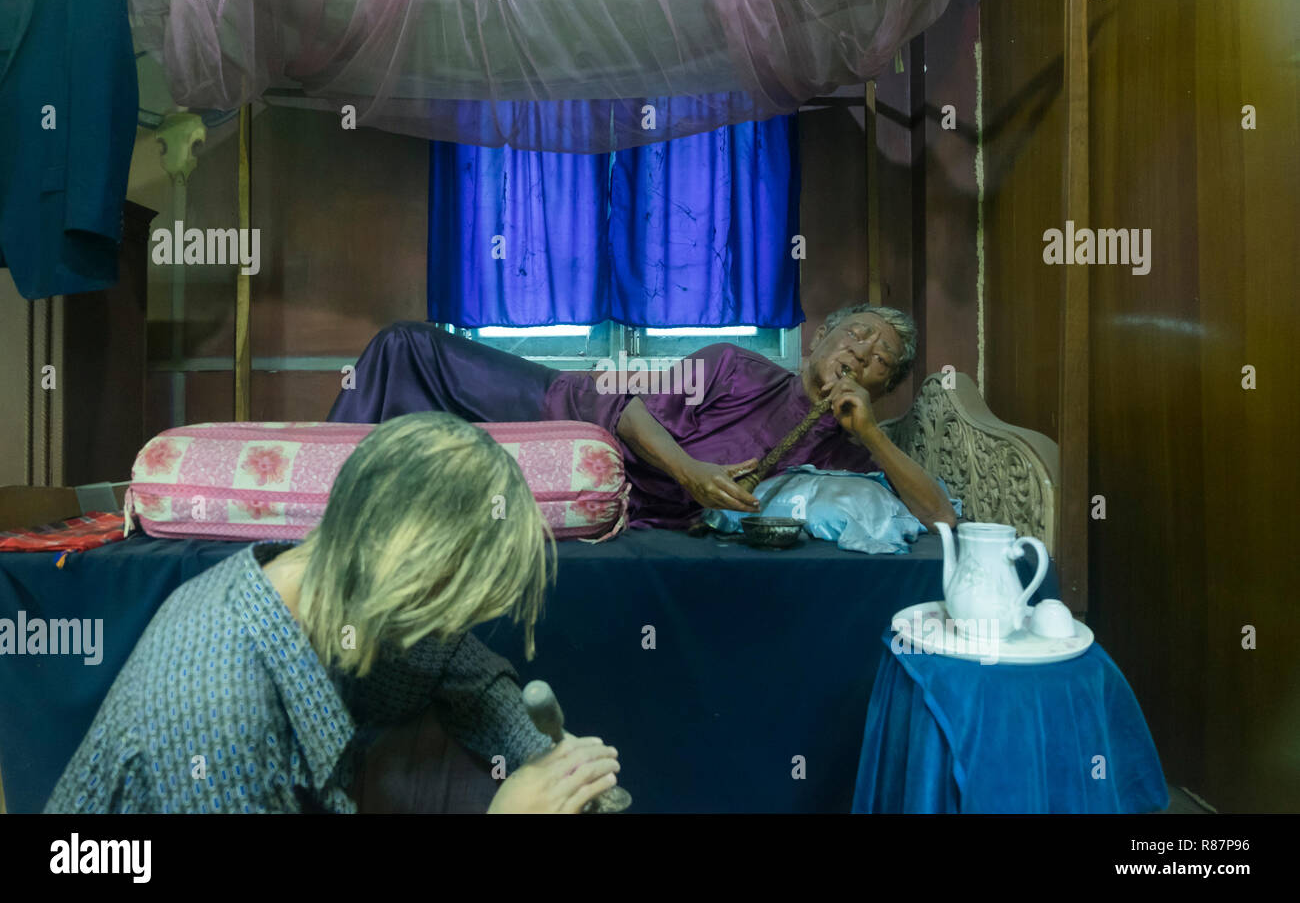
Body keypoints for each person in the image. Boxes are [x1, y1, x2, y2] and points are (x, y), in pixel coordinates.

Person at [44, 413, 620, 814]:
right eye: (445, 608)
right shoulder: (219, 711)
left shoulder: (333, 583)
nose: (448, 631)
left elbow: (454, 668)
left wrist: (543, 757)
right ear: (401, 569)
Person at [329, 304, 957, 532]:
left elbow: (942, 518)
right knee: (405, 346)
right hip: (566, 407)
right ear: (820, 339)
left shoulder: (849, 451)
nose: (861, 355)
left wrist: (872, 432)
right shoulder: (737, 365)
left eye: (881, 361)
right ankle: (313, 500)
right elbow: (630, 412)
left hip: (613, 493)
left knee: (439, 459)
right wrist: (690, 472)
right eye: (856, 335)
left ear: (884, 387)